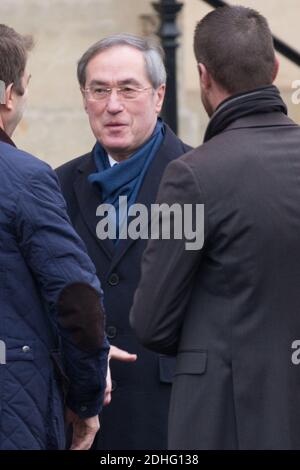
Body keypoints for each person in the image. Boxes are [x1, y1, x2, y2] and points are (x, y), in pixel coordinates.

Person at [130, 5, 300, 450]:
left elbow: (152, 321)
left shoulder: (192, 176)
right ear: (276, 66)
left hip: (228, 415)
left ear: (203, 76)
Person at [56, 33, 191, 450]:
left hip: (172, 408)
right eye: (99, 90)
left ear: (158, 95)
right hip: (82, 411)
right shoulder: (56, 186)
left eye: (128, 89)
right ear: (84, 98)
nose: (112, 105)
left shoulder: (200, 177)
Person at [0, 24, 109, 450]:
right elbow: (77, 300)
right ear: (9, 94)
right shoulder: (25, 179)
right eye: (25, 86)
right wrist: (85, 402)